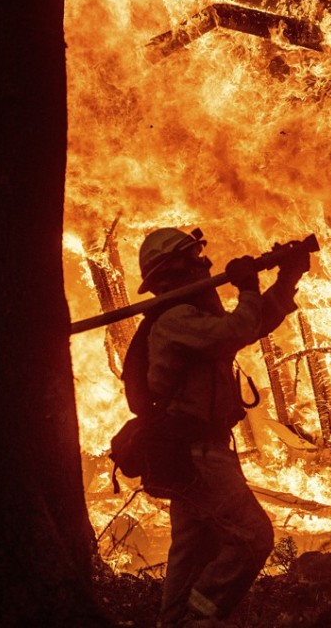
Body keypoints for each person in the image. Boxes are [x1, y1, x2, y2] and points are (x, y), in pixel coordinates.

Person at [124, 226, 309, 627]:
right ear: (175, 268)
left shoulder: (189, 317)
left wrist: (287, 278)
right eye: (195, 257)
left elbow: (252, 324)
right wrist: (246, 287)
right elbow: (234, 332)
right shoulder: (176, 319)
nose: (205, 263)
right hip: (197, 453)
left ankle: (173, 622)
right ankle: (199, 615)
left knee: (193, 551)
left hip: (194, 452)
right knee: (253, 537)